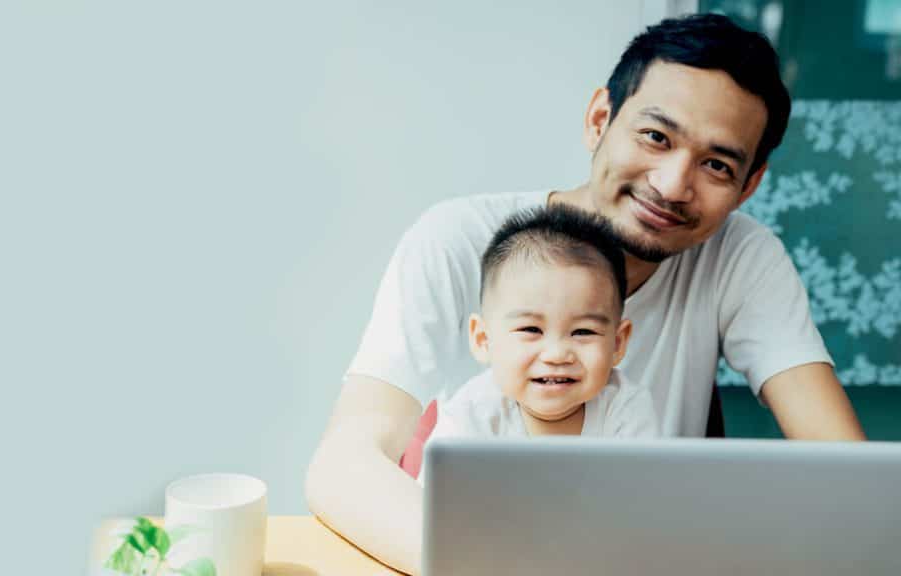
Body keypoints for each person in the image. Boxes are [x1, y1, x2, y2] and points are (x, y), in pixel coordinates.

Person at [306, 13, 866, 575]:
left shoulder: (742, 257)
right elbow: (344, 465)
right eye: (655, 136)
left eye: (716, 165)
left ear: (749, 186)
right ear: (600, 119)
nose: (672, 185)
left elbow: (848, 473)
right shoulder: (459, 238)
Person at [416, 204, 657, 480]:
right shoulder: (470, 416)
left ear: (617, 344)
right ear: (483, 340)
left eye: (582, 332)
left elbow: (641, 502)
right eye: (531, 329)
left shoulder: (626, 409)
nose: (556, 354)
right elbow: (436, 508)